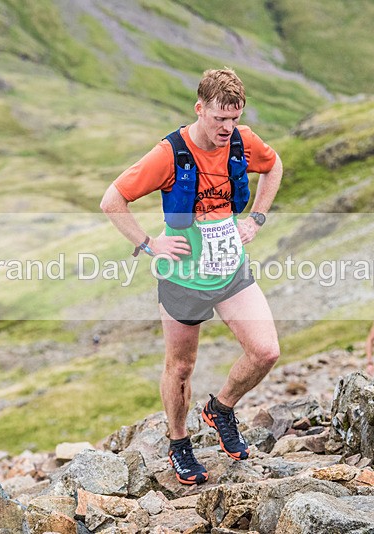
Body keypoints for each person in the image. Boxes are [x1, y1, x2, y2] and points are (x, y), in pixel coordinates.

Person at [100, 68, 283, 485]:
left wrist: (256, 217)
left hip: (229, 267)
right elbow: (112, 200)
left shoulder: (242, 141)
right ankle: (180, 444)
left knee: (266, 351)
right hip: (183, 276)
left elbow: (274, 167)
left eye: (234, 119)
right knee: (181, 367)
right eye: (219, 118)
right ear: (200, 109)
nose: (227, 128)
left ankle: (220, 409)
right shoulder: (169, 154)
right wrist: (149, 244)